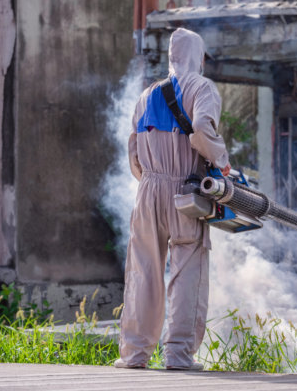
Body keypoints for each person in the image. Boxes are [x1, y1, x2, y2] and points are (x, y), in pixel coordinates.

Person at [115, 28, 230, 370]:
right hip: (185, 191)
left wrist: (150, 181)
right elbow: (203, 130)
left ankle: (135, 354)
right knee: (186, 271)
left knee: (143, 271)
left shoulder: (146, 95)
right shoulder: (202, 87)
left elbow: (134, 151)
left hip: (148, 191)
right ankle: (178, 356)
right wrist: (221, 162)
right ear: (199, 57)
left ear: (171, 57)